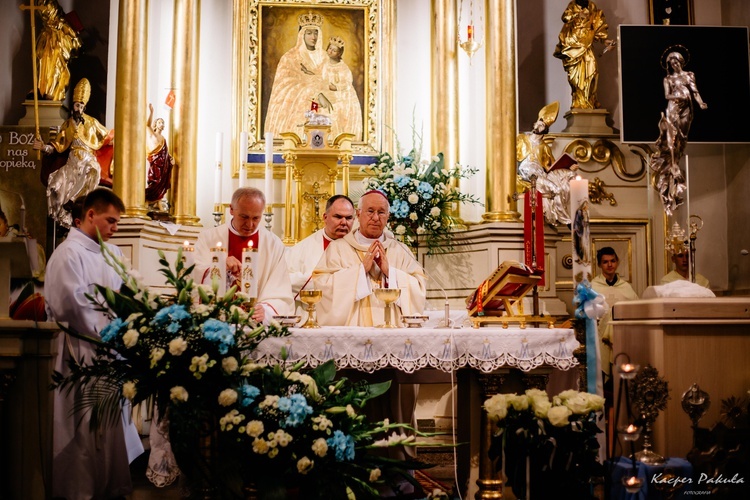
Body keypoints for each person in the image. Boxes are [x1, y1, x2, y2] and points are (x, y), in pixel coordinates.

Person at [44, 188, 143, 499]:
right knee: (82, 432)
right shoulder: (67, 255)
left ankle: (109, 488)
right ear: (90, 215)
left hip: (109, 354)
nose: (115, 228)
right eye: (110, 221)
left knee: (108, 430)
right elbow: (69, 306)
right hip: (79, 351)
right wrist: (113, 331)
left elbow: (128, 296)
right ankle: (78, 491)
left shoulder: (113, 254)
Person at [312, 190, 426, 327]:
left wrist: (391, 273)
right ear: (358, 214)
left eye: (381, 212)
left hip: (393, 332)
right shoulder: (338, 248)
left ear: (388, 216)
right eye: (370, 211)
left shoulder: (401, 250)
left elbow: (419, 288)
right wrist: (359, 271)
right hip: (352, 331)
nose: (376, 218)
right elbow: (322, 285)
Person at [194, 187, 293, 323]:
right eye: (244, 217)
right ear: (231, 210)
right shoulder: (208, 238)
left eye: (256, 218)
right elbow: (194, 275)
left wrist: (266, 310)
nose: (250, 224)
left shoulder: (273, 244)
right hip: (216, 321)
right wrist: (219, 267)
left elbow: (280, 290)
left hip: (255, 322)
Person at [33, 78, 114, 228]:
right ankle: (65, 218)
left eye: (82, 106)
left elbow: (108, 135)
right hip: (72, 163)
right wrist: (43, 147)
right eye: (77, 105)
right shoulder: (67, 125)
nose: (80, 109)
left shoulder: (91, 122)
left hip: (88, 158)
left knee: (92, 170)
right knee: (55, 186)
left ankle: (76, 201)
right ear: (73, 106)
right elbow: (57, 145)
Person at [649, 49, 708, 216]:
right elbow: (666, 95)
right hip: (674, 107)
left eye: (676, 62)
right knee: (672, 136)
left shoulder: (689, 75)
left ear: (681, 62)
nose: (674, 65)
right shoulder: (668, 78)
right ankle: (672, 165)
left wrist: (701, 103)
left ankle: (676, 161)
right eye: (672, 63)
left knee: (683, 135)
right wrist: (677, 96)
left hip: (687, 108)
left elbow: (695, 91)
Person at [264, 11, 331, 137]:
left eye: (316, 32)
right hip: (298, 108)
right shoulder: (290, 58)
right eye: (309, 33)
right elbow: (284, 87)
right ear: (301, 35)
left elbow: (331, 81)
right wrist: (316, 93)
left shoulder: (325, 57)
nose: (313, 37)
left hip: (323, 109)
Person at [285, 194, 355, 313]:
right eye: (338, 217)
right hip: (313, 313)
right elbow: (286, 280)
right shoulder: (302, 249)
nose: (344, 222)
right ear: (325, 217)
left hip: (350, 314)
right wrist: (329, 282)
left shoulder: (359, 247)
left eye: (348, 218)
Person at [516, 101, 577, 226]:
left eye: (542, 125)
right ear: (535, 123)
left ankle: (562, 218)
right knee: (552, 187)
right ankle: (567, 221)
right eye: (539, 122)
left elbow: (551, 166)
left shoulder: (544, 147)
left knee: (558, 184)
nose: (539, 126)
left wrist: (569, 167)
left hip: (540, 173)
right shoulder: (521, 139)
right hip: (526, 170)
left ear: (545, 130)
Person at [553, 0, 615, 110]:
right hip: (574, 47)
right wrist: (577, 15)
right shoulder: (572, 5)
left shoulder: (592, 6)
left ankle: (590, 101)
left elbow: (596, 25)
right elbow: (565, 18)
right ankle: (579, 103)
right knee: (576, 78)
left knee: (593, 73)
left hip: (587, 47)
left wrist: (604, 40)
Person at [591, 247, 639, 379]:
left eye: (613, 261)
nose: (610, 265)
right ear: (600, 264)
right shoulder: (593, 286)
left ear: (617, 262)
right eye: (605, 262)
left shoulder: (625, 286)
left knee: (620, 374)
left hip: (622, 337)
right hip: (599, 338)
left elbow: (636, 309)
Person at [34, 0, 82, 101]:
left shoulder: (62, 23)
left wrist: (62, 25)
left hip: (58, 42)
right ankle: (42, 92)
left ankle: (51, 93)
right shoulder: (46, 33)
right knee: (43, 62)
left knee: (57, 68)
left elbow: (73, 36)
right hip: (47, 40)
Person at [321, 36, 363, 140]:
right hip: (328, 94)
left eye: (334, 50)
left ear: (339, 53)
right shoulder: (324, 65)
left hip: (343, 96)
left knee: (341, 114)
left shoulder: (343, 67)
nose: (330, 51)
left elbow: (348, 83)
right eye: (330, 49)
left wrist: (337, 87)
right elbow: (321, 79)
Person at [145, 103, 174, 212]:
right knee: (154, 182)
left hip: (163, 164)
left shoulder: (163, 139)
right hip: (155, 162)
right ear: (156, 125)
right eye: (160, 122)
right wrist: (151, 113)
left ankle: (158, 202)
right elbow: (147, 126)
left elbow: (165, 152)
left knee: (161, 183)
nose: (162, 124)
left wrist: (170, 159)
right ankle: (148, 200)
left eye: (163, 123)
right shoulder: (152, 134)